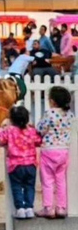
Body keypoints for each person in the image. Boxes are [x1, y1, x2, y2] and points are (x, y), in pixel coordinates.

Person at [35, 86, 74, 219]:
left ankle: (48, 208)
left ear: (52, 101)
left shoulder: (49, 113)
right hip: (64, 150)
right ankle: (61, 207)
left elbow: (40, 128)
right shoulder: (70, 114)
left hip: (49, 150)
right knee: (60, 179)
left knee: (47, 180)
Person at [0, 106, 41, 219]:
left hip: (15, 165)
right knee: (29, 186)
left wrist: (0, 130)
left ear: (11, 119)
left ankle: (20, 208)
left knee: (17, 187)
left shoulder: (10, 130)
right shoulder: (31, 131)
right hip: (31, 165)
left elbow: (1, 140)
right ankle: (29, 208)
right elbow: (39, 141)